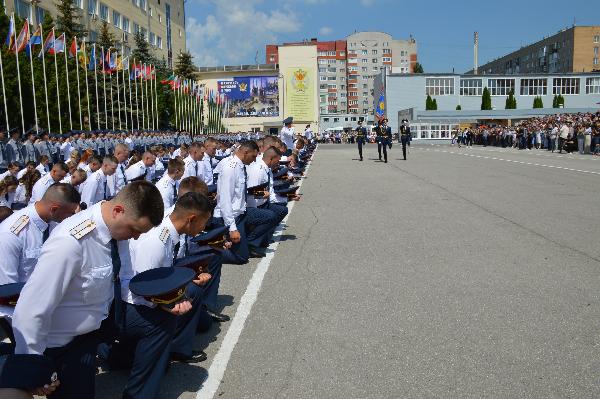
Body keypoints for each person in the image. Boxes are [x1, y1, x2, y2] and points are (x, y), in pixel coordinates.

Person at [11, 181, 164, 399]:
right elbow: (31, 309)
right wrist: (32, 367)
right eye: (135, 230)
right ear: (118, 211)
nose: (136, 237)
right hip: (62, 344)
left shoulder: (116, 230)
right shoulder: (71, 243)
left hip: (92, 329)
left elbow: (124, 277)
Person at [112, 192, 212, 398]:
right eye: (204, 222)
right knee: (163, 321)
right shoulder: (157, 242)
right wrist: (168, 304)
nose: (204, 228)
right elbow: (139, 290)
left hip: (135, 300)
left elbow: (163, 276)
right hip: (127, 305)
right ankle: (138, 393)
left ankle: (115, 354)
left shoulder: (169, 227)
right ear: (191, 219)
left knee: (188, 293)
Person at [0, 184, 80, 326]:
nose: (73, 217)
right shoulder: (11, 234)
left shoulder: (54, 222)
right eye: (71, 213)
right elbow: (7, 292)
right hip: (22, 314)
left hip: (50, 306)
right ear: (54, 209)